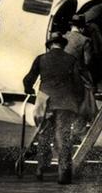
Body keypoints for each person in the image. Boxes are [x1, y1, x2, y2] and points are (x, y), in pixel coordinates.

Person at [23, 35, 85, 184]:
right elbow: (78, 84)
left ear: (50, 45)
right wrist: (78, 100)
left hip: (46, 103)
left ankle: (40, 169)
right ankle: (63, 175)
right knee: (63, 137)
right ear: (63, 46)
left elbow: (28, 79)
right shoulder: (71, 60)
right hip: (65, 103)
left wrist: (29, 90)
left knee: (44, 136)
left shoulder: (41, 58)